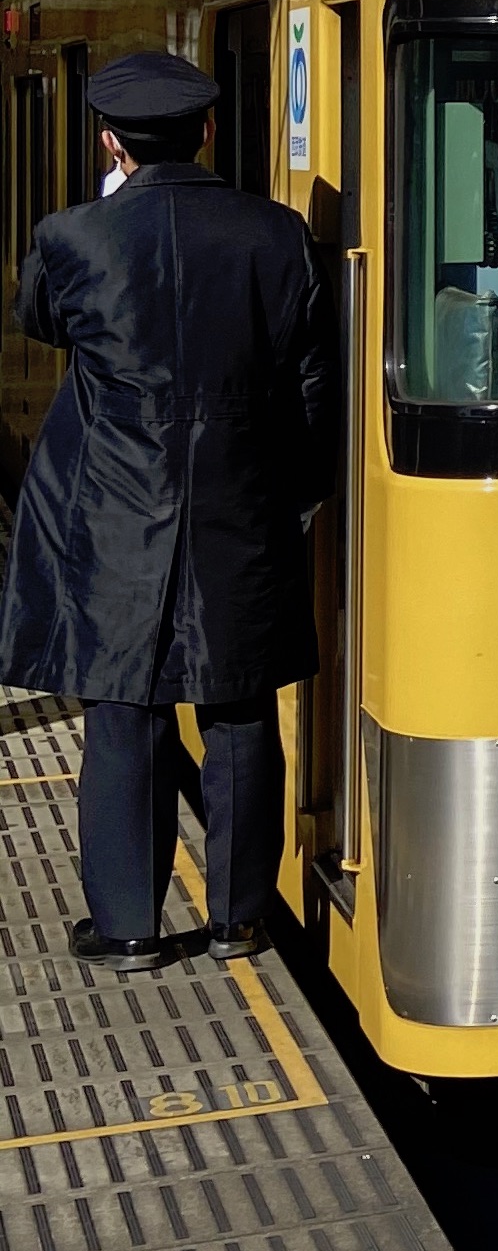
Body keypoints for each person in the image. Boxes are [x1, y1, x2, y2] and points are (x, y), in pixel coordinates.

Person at [0, 50, 334, 970]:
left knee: (124, 707)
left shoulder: (76, 236)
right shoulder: (278, 236)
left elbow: (40, 319)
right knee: (239, 708)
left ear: (111, 140)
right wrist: (294, 494)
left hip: (114, 506)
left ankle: (129, 928)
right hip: (242, 502)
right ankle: (239, 918)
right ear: (210, 131)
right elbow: (311, 387)